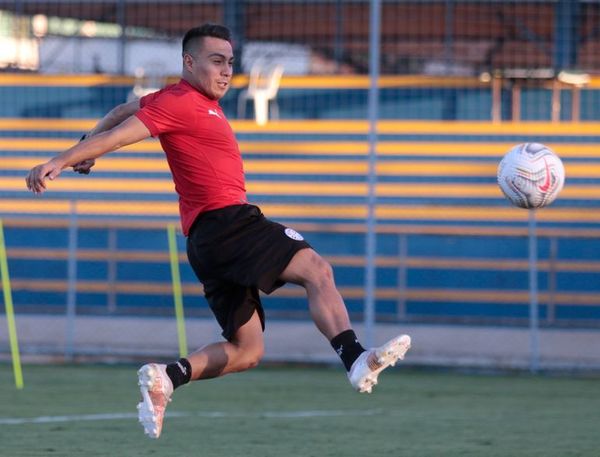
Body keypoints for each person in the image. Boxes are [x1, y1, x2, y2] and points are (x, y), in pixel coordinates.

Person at [25, 23, 411, 439]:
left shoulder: (173, 100)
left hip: (206, 241)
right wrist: (63, 159)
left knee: (247, 351)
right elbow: (123, 134)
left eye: (229, 62)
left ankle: (167, 377)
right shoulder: (180, 103)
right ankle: (354, 358)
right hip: (229, 223)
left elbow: (123, 111)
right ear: (188, 63)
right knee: (317, 270)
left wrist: (87, 139)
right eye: (216, 61)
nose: (226, 71)